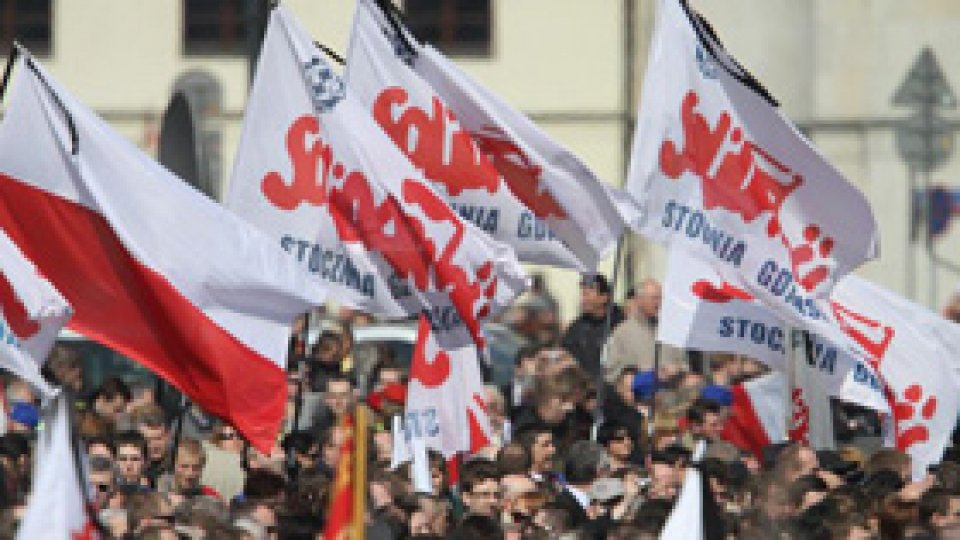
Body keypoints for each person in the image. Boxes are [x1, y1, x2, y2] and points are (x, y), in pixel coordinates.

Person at [604, 279, 687, 382]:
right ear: (639, 300)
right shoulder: (621, 332)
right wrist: (638, 371)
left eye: (661, 298)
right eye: (654, 298)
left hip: (672, 392)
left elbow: (684, 363)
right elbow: (611, 370)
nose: (659, 303)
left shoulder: (671, 330)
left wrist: (677, 369)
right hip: (640, 394)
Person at [561, 273, 623, 378]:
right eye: (583, 294)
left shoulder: (619, 325)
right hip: (584, 387)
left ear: (604, 297)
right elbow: (566, 354)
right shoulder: (576, 328)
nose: (584, 299)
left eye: (588, 293)